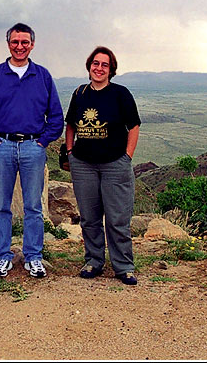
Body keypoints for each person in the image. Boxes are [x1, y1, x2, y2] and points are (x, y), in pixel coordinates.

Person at [0, 23, 64, 278]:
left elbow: (56, 116)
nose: (20, 46)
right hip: (3, 147)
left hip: (33, 148)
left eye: (25, 42)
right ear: (8, 44)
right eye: (15, 42)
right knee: (1, 205)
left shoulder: (43, 76)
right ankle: (3, 256)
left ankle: (33, 257)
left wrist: (43, 142)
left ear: (32, 45)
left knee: (33, 206)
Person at [64, 46, 141, 285]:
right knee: (89, 217)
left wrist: (127, 156)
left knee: (117, 218)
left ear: (111, 69)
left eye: (104, 65)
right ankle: (94, 261)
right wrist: (70, 152)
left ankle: (124, 266)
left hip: (114, 164)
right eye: (95, 64)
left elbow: (134, 126)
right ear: (89, 66)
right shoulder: (79, 93)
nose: (99, 68)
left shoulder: (121, 94)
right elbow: (70, 125)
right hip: (84, 164)